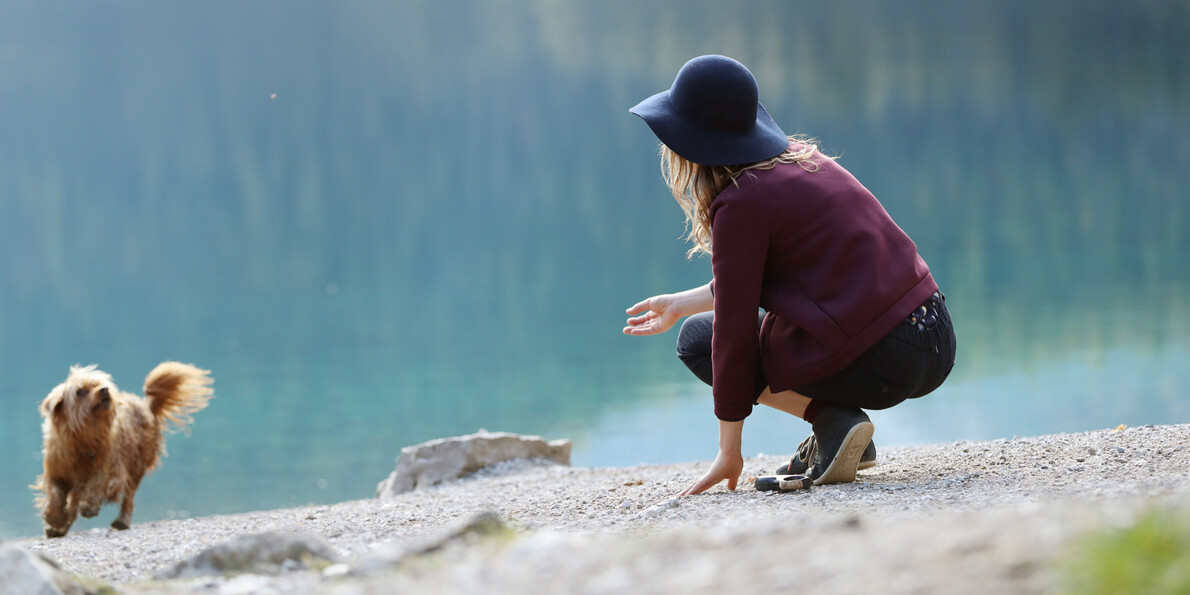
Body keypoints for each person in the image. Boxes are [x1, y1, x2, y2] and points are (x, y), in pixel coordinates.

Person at [623, 55, 956, 496]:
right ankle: (845, 437)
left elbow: (735, 330)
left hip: (888, 357)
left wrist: (729, 450)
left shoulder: (742, 201)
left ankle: (833, 422)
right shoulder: (800, 160)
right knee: (705, 325)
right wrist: (681, 303)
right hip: (933, 335)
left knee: (698, 342)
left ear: (692, 143)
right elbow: (754, 281)